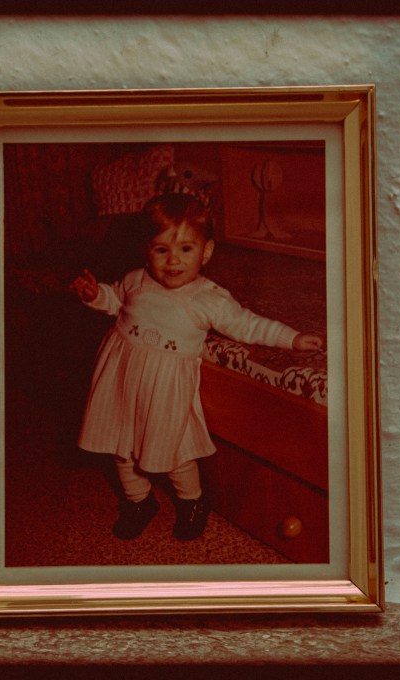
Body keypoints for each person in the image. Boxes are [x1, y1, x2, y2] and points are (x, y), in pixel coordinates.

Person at [70, 194, 323, 541]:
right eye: (162, 250)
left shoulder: (208, 299)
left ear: (206, 252)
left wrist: (291, 338)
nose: (173, 260)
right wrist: (94, 295)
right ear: (147, 250)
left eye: (186, 249)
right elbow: (114, 299)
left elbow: (246, 324)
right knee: (120, 448)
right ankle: (138, 501)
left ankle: (192, 502)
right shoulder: (135, 280)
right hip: (121, 383)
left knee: (175, 454)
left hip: (164, 391)